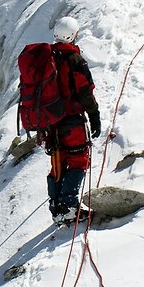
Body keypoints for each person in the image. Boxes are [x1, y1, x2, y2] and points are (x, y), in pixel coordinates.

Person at [45, 17, 101, 223]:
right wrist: (94, 116)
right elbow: (85, 90)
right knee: (78, 161)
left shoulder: (48, 58)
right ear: (72, 35)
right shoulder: (74, 59)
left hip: (51, 124)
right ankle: (68, 205)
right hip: (72, 121)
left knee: (58, 163)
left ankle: (56, 207)